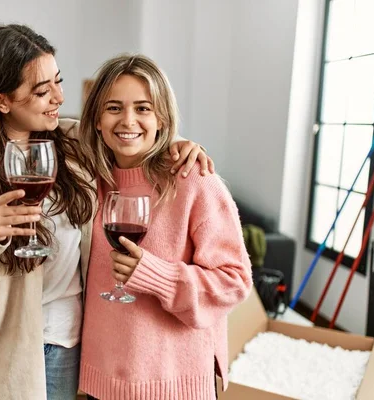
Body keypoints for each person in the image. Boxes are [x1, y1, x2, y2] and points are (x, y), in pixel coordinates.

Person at [0, 24, 214, 400]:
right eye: (42, 91)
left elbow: (128, 131)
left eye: (57, 82)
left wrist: (179, 143)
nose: (59, 98)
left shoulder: (76, 145)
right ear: (1, 101)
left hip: (64, 344)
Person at [78, 54, 253, 400]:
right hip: (101, 382)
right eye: (114, 108)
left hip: (173, 387)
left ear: (162, 118)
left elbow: (235, 281)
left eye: (143, 108)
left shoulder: (194, 181)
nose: (128, 120)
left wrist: (155, 275)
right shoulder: (87, 180)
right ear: (97, 119)